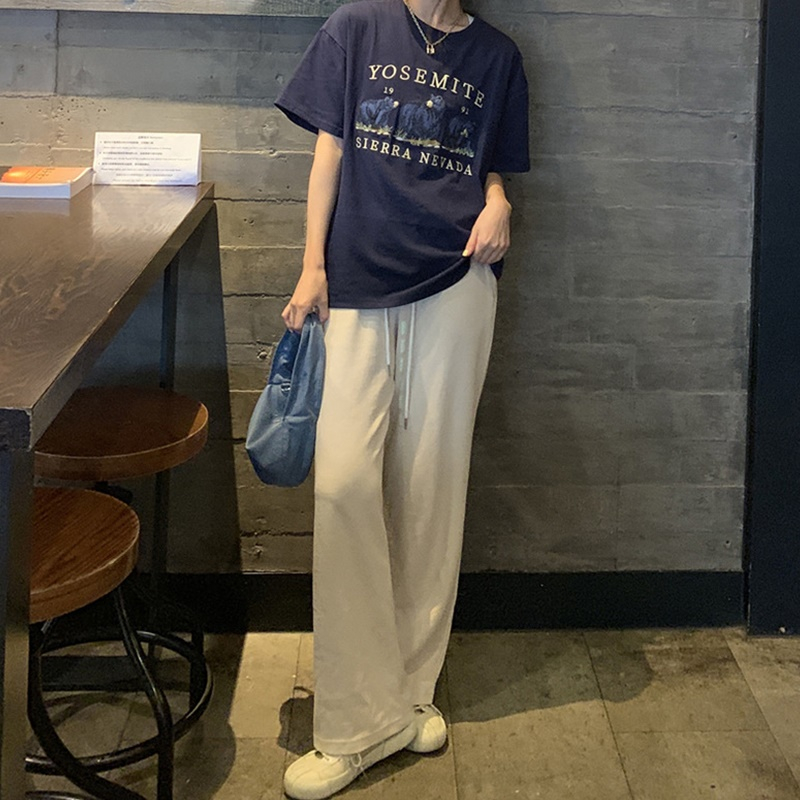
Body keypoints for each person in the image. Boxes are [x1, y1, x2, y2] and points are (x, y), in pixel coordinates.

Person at [274, 1, 529, 797]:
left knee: (431, 491)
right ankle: (354, 724)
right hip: (356, 284)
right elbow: (330, 149)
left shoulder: (498, 55)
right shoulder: (358, 27)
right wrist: (312, 266)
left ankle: (410, 696)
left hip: (458, 285)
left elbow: (491, 162)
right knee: (345, 487)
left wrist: (499, 199)